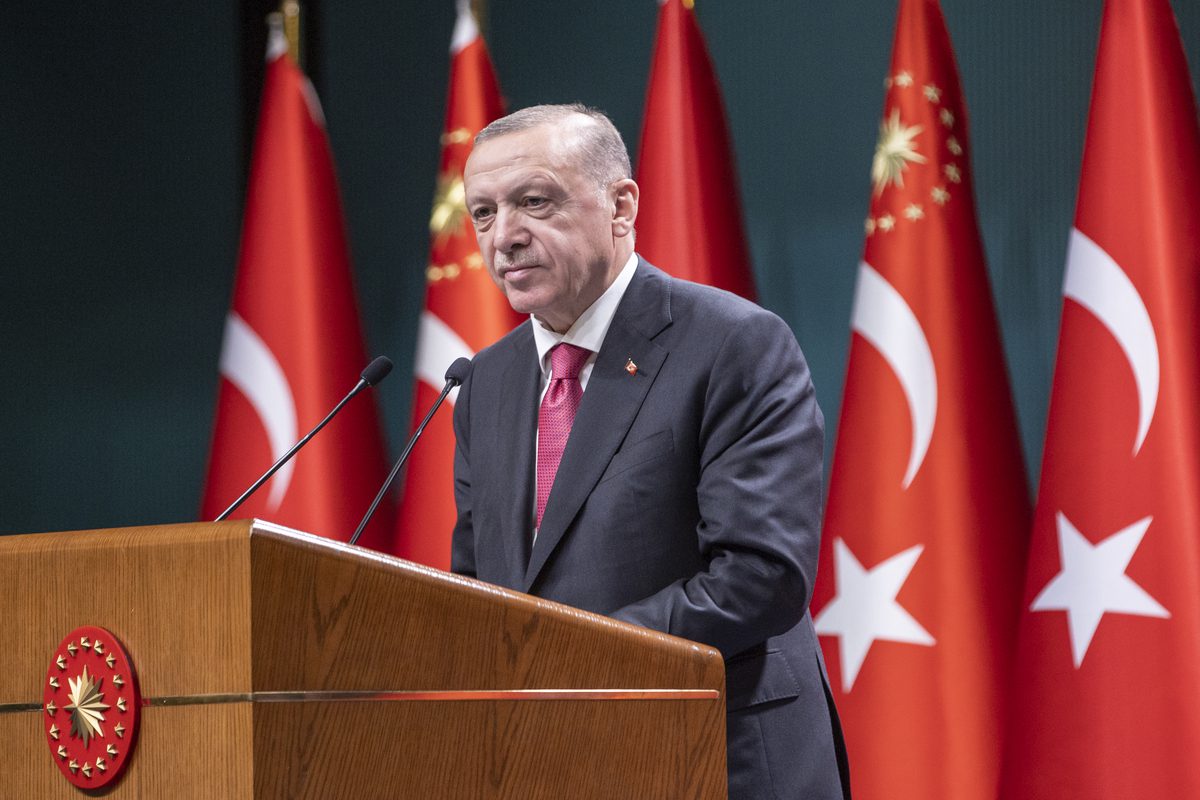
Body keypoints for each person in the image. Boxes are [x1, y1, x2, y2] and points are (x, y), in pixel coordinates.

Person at [451, 103, 849, 800]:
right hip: (550, 767)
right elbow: (476, 589)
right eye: (482, 213)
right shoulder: (486, 381)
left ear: (620, 205)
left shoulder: (733, 343)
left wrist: (567, 658)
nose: (504, 237)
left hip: (718, 756)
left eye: (533, 202)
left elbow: (761, 575)